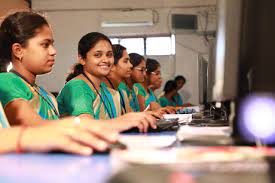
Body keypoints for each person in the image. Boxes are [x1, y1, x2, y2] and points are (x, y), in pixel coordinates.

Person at [57, 32, 157, 132]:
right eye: (97, 55)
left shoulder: (106, 91)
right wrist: (122, 121)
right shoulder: (77, 86)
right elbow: (85, 125)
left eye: (109, 55)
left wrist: (145, 116)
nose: (105, 60)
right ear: (82, 59)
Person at [0, 11, 60, 126]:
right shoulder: (5, 81)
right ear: (18, 50)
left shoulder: (46, 94)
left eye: (52, 44)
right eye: (45, 45)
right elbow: (38, 129)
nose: (53, 51)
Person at [0, 102, 118, 155]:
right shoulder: (8, 80)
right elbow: (33, 123)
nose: (53, 51)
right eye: (45, 48)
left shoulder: (42, 90)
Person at [102, 44, 134, 113]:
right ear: (112, 65)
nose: (131, 65)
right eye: (125, 61)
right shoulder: (100, 93)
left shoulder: (122, 93)